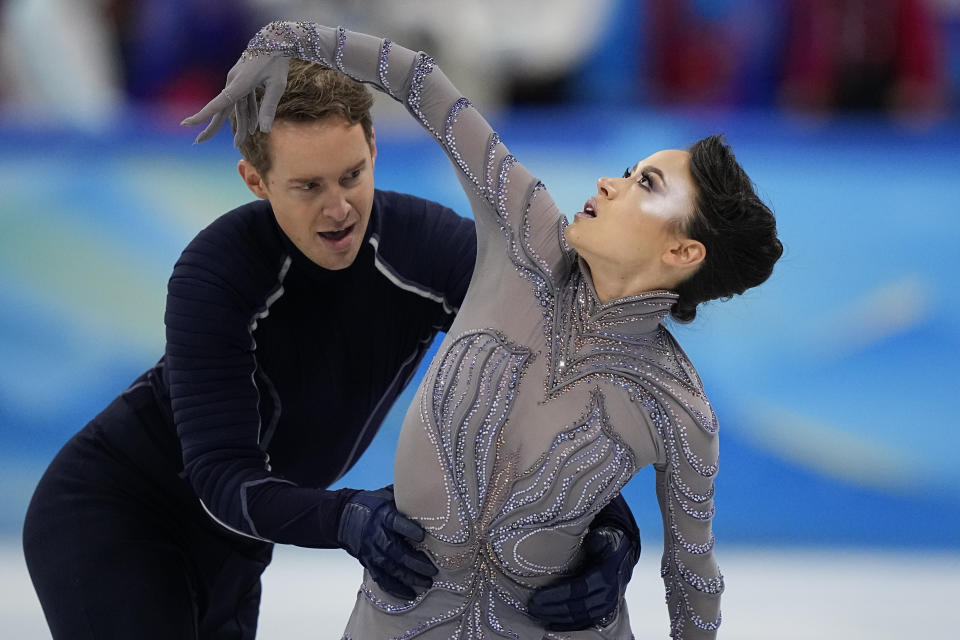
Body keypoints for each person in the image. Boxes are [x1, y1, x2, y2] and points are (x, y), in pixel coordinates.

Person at [186, 21, 783, 639]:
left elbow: (694, 585)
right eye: (631, 170)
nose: (610, 181)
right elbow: (421, 81)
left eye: (645, 185)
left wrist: (615, 545)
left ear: (684, 253)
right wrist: (285, 40)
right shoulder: (526, 231)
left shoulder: (679, 409)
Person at [21, 53, 643, 640]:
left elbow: (550, 402)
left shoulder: (431, 251)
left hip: (239, 540)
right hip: (114, 512)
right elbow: (219, 475)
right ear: (256, 180)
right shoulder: (217, 272)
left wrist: (612, 530)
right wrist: (346, 517)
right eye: (308, 186)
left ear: (374, 148)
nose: (339, 208)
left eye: (352, 174)